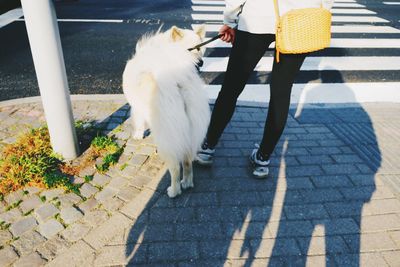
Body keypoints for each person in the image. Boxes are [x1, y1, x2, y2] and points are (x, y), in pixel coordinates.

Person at [196, 0, 334, 178]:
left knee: (232, 86)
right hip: (302, 20)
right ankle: (262, 158)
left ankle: (208, 147)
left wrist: (230, 20)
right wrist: (323, 13)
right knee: (281, 92)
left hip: (258, 18)